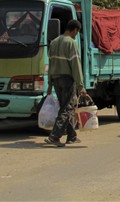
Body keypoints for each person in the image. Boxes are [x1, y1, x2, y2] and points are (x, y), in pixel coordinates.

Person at [44, 19, 86, 147]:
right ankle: (54, 136)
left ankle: (72, 136)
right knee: (67, 108)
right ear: (75, 30)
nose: (76, 35)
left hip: (56, 79)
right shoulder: (71, 43)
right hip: (67, 80)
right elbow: (76, 66)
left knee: (65, 108)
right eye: (77, 32)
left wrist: (50, 84)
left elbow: (50, 64)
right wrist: (81, 86)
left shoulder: (54, 42)